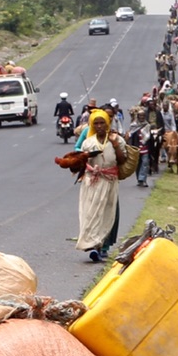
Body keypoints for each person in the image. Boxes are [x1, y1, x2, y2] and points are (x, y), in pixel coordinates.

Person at [73, 108, 121, 262]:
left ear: (107, 124)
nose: (100, 126)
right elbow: (80, 160)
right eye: (97, 123)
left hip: (109, 182)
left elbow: (123, 159)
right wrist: (87, 165)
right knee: (91, 213)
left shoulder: (116, 140)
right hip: (92, 182)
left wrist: (115, 144)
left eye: (103, 123)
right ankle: (92, 245)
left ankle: (100, 247)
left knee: (106, 214)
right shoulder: (88, 142)